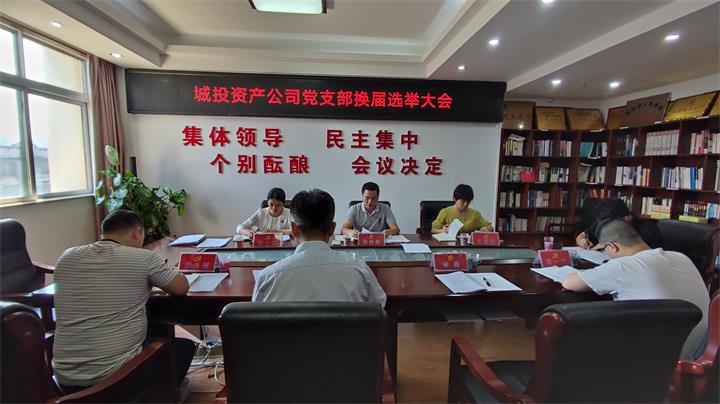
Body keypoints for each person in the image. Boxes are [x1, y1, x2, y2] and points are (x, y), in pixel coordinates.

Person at [52, 210, 194, 393]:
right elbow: (181, 287)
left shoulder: (67, 256)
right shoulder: (143, 258)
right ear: (137, 232)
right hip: (114, 381)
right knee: (183, 347)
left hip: (65, 381)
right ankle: (159, 396)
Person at [562, 219, 708, 359]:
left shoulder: (623, 266)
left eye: (603, 249)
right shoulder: (682, 257)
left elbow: (570, 283)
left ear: (612, 246)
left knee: (575, 340)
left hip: (661, 360)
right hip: (702, 352)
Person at [253, 189, 386, 305]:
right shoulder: (359, 269)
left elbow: (256, 318)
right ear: (332, 229)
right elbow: (379, 305)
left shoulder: (268, 277)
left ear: (293, 230)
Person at [576, 198, 663, 249]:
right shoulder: (604, 223)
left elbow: (647, 254)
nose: (608, 227)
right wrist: (581, 241)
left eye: (612, 223)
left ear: (627, 217)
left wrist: (605, 246)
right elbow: (582, 235)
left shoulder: (647, 228)